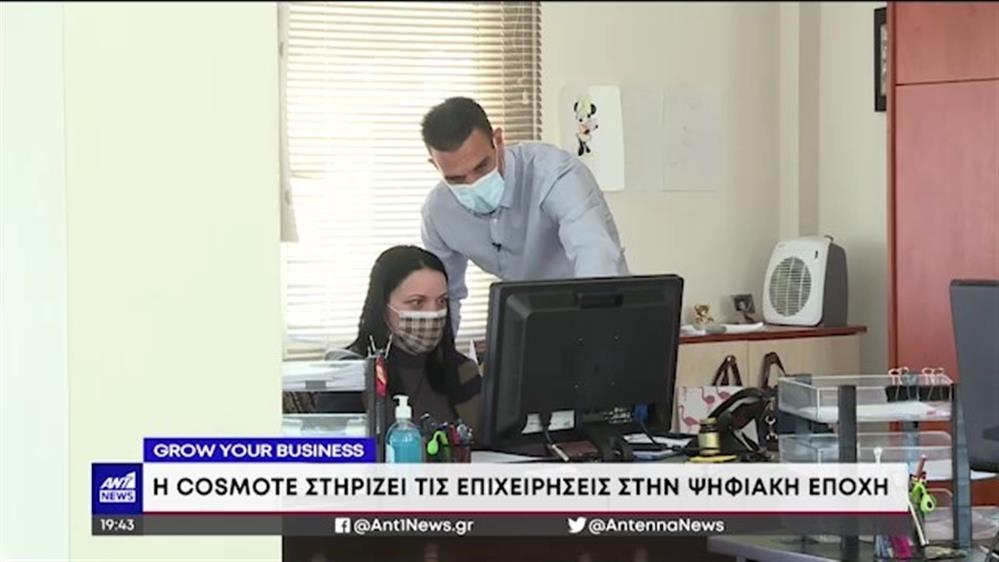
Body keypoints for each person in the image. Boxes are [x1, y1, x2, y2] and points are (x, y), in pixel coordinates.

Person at [420, 97, 629, 330]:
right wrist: (441, 350)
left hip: (601, 314)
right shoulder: (438, 212)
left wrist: (593, 333)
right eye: (456, 179)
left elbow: (595, 256)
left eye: (481, 167)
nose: (473, 184)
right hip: (531, 323)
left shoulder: (555, 175)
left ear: (498, 141)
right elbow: (443, 296)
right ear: (435, 166)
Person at [344, 245, 481, 431]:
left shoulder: (463, 371)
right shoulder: (350, 373)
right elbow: (331, 444)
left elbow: (490, 439)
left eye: (441, 301)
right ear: (383, 306)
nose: (433, 312)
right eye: (417, 302)